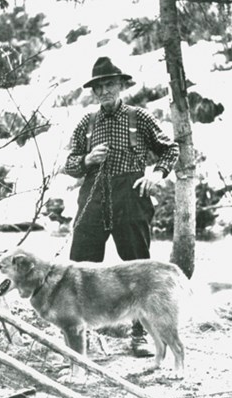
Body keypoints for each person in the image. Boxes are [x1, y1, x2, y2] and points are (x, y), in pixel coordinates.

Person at [64, 56, 180, 357]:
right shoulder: (86, 123)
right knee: (78, 267)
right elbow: (70, 164)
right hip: (93, 197)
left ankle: (141, 336)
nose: (104, 91)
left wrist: (156, 174)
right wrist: (87, 160)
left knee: (138, 268)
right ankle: (80, 340)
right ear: (93, 91)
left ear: (120, 85)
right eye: (98, 87)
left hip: (130, 197)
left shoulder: (138, 117)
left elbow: (170, 149)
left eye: (109, 84)